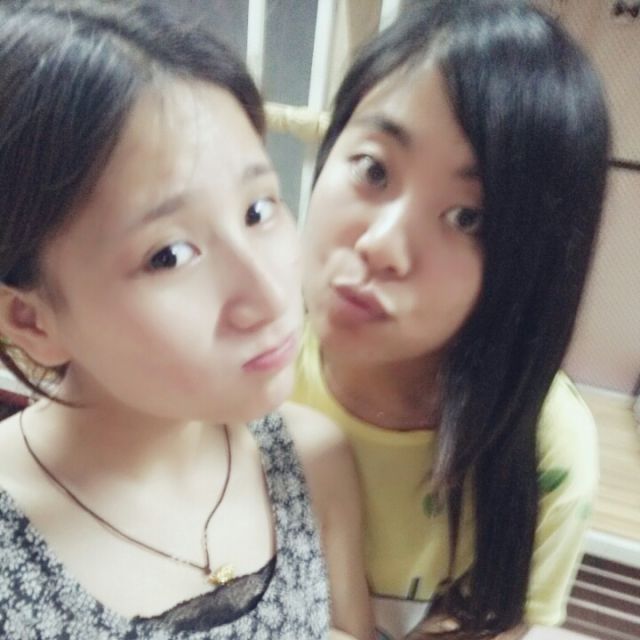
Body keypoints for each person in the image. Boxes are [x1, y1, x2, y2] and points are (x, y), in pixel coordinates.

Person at [0, 1, 373, 638]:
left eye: (259, 209)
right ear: (30, 320)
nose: (269, 294)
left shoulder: (310, 462)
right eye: (169, 255)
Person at [293, 0, 609, 638]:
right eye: (374, 169)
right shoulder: (237, 367)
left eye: (468, 218)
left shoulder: (546, 449)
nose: (382, 245)